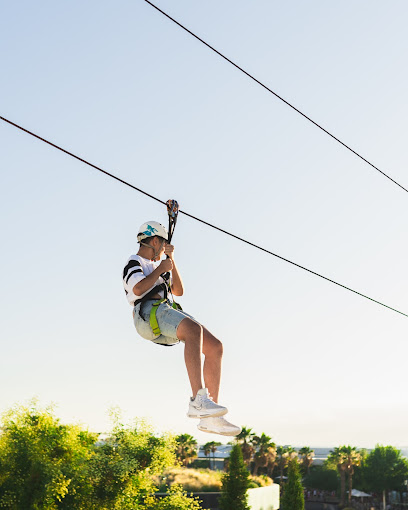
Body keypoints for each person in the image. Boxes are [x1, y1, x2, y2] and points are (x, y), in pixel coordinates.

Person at [122, 221, 241, 436]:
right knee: (193, 330)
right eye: (163, 244)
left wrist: (171, 262)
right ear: (156, 241)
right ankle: (198, 400)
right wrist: (160, 268)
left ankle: (210, 418)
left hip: (165, 308)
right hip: (148, 312)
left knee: (215, 347)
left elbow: (178, 290)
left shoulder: (161, 263)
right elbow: (138, 288)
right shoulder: (135, 261)